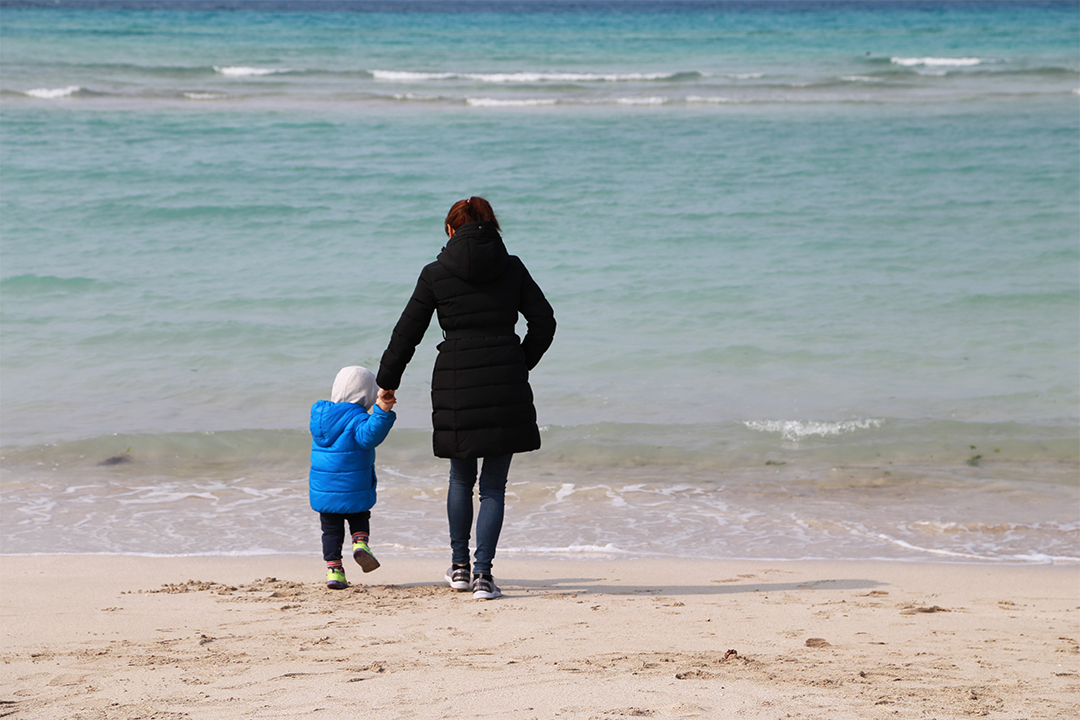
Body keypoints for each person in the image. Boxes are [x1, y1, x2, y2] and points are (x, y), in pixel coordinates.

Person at [377, 197, 555, 600]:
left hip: (455, 380)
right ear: (493, 227)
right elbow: (545, 321)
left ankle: (459, 569)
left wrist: (388, 381)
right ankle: (484, 576)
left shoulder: (436, 273)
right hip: (505, 379)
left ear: (450, 230)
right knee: (493, 486)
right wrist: (519, 362)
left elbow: (407, 332)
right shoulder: (512, 267)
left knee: (460, 477)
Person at [309, 365, 397, 589]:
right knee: (359, 516)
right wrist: (382, 409)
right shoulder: (358, 419)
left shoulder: (320, 419)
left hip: (324, 490)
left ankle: (334, 572)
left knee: (330, 531)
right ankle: (360, 543)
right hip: (354, 487)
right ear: (367, 394)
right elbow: (371, 435)